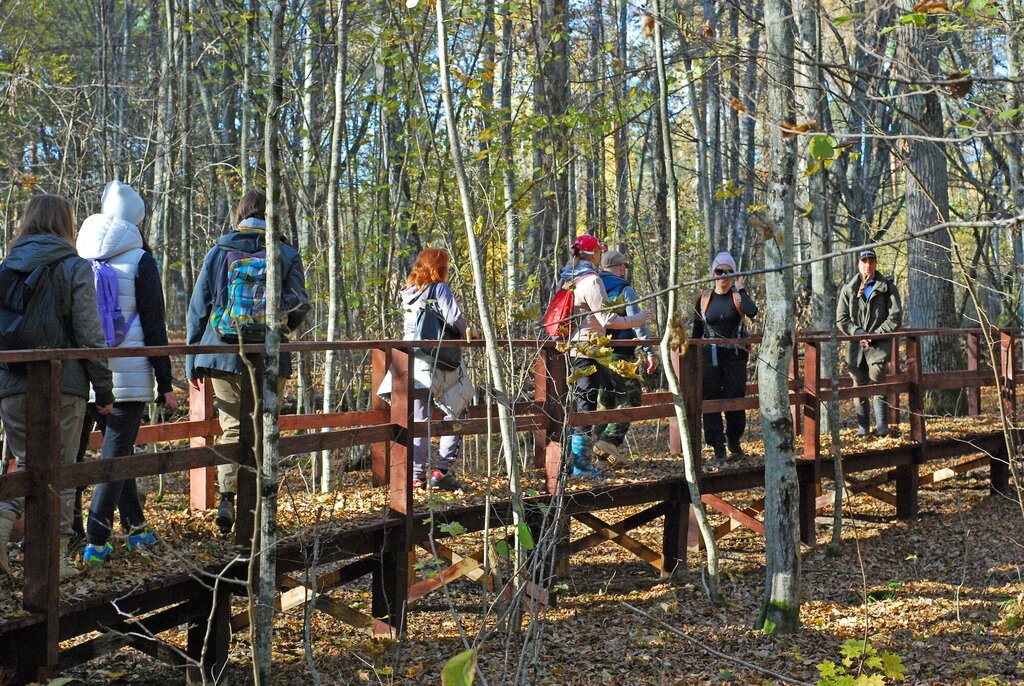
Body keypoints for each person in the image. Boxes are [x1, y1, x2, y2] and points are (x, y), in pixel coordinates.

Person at [0, 194, 114, 583]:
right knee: (60, 471)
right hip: (64, 385)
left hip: (12, 384)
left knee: (29, 465)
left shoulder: (7, 266)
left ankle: (2, 526)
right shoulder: (74, 267)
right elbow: (89, 334)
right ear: (66, 224)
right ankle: (53, 559)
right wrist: (105, 388)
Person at [186, 189, 310, 534]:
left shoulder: (220, 250)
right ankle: (257, 507)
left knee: (231, 427)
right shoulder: (285, 252)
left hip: (223, 351)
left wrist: (192, 360)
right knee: (264, 428)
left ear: (240, 216)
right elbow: (300, 303)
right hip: (270, 355)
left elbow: (199, 308)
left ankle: (227, 496)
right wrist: (280, 327)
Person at [74, 181, 178, 563]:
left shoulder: (79, 255)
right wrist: (165, 382)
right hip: (129, 377)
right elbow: (154, 326)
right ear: (138, 221)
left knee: (120, 453)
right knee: (116, 457)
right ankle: (96, 542)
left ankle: (136, 529)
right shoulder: (139, 260)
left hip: (85, 375)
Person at [378, 247, 476, 491]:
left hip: (412, 360)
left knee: (419, 419)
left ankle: (416, 476)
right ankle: (442, 471)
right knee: (458, 409)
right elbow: (454, 318)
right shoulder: (439, 289)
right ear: (439, 267)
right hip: (439, 361)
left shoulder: (407, 293)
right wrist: (472, 334)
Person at [557, 235, 654, 479]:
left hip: (571, 348)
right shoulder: (591, 280)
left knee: (582, 404)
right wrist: (637, 321)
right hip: (589, 350)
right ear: (594, 254)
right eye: (598, 252)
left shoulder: (567, 278)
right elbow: (607, 319)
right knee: (587, 406)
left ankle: (571, 463)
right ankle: (581, 466)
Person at [692, 251, 757, 464]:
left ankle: (733, 439)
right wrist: (692, 360)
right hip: (708, 359)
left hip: (735, 359)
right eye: (719, 271)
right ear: (713, 273)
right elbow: (696, 333)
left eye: (728, 272)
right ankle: (717, 446)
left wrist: (741, 288)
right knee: (710, 402)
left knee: (735, 401)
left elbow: (752, 311)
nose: (723, 275)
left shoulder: (737, 297)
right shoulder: (703, 299)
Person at [594, 249, 658, 467]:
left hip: (598, 354)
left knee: (606, 402)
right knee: (632, 399)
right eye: (624, 267)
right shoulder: (624, 289)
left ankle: (600, 460)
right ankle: (607, 442)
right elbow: (636, 323)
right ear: (621, 267)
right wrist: (649, 352)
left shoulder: (593, 286)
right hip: (622, 354)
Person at [836, 247, 902, 437]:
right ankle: (863, 428)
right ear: (858, 264)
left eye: (871, 262)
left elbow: (895, 317)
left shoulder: (887, 288)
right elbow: (841, 319)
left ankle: (882, 427)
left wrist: (875, 334)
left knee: (878, 384)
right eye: (864, 262)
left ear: (875, 263)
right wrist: (858, 333)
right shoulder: (848, 289)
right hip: (855, 347)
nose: (868, 266)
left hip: (878, 346)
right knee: (859, 386)